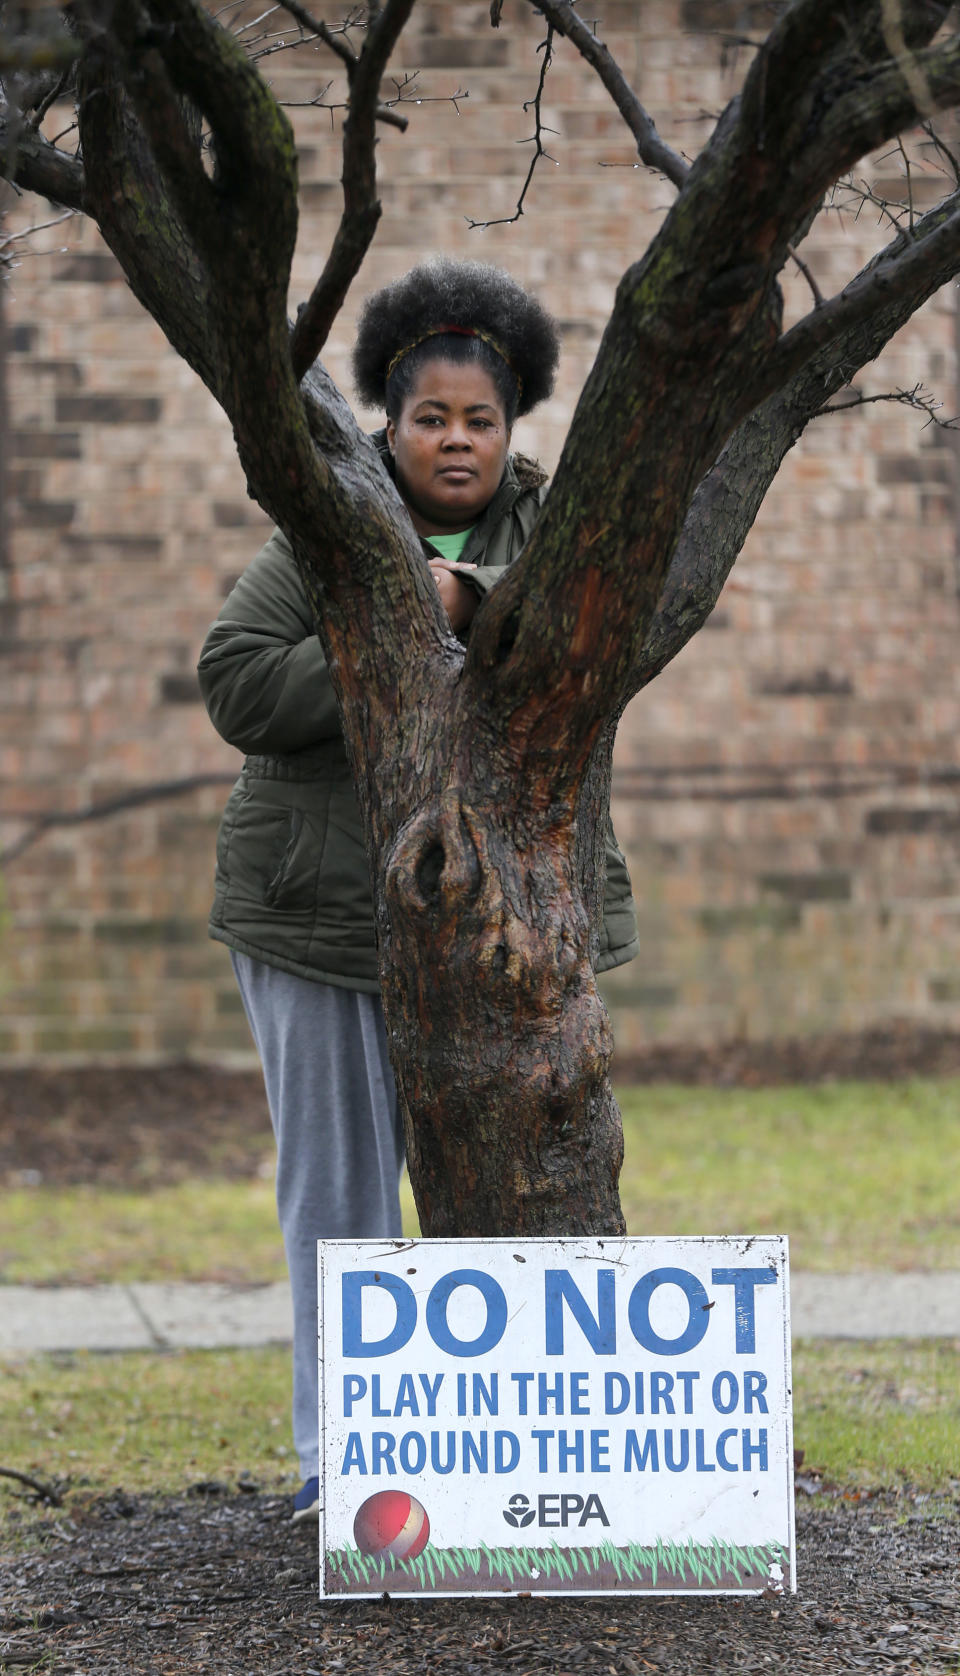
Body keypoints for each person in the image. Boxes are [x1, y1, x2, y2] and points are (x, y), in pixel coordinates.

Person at [197, 259, 639, 1522]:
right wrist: (399, 616)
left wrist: (470, 598)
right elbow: (235, 681)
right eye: (430, 416)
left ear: (513, 429)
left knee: (513, 1176)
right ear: (388, 423)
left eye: (480, 419)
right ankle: (344, 1468)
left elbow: (594, 642)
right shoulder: (327, 530)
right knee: (340, 1194)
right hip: (322, 917)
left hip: (501, 930)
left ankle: (506, 1469)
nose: (456, 438)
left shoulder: (557, 537)